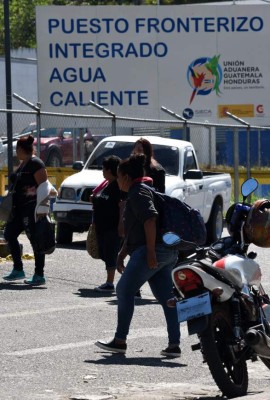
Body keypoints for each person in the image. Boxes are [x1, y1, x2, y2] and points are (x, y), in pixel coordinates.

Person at [95, 154, 181, 357]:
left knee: (124, 290)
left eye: (118, 176)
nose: (116, 181)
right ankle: (174, 344)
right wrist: (122, 253)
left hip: (153, 251)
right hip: (165, 251)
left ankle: (120, 340)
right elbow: (136, 229)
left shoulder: (138, 193)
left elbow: (150, 220)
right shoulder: (142, 191)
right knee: (166, 298)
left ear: (125, 177)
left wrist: (150, 252)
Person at [3, 135, 56, 285]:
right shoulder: (24, 163)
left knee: (36, 240)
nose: (16, 152)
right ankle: (18, 269)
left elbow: (44, 187)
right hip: (18, 210)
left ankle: (39, 274)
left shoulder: (36, 163)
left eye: (16, 150)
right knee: (9, 234)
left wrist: (42, 209)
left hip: (31, 209)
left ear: (21, 149)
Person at [91, 155, 122, 292]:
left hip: (112, 227)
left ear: (110, 170)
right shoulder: (106, 185)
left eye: (104, 169)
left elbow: (122, 207)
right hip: (102, 226)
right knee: (104, 253)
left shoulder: (119, 187)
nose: (102, 171)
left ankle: (110, 283)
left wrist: (121, 225)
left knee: (110, 254)